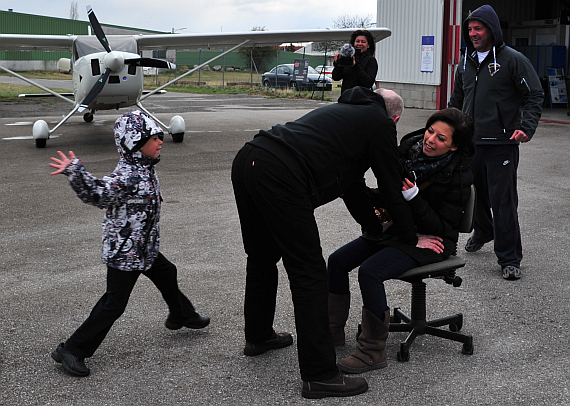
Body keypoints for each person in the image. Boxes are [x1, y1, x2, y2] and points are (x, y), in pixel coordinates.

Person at [231, 87, 416, 399]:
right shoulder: (381, 124)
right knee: (309, 274)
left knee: (262, 256)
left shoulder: (346, 115)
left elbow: (352, 186)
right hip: (281, 173)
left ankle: (259, 337)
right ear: (395, 118)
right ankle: (320, 376)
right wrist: (410, 237)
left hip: (250, 157)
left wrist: (374, 227)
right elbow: (390, 183)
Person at [49, 110, 209, 377]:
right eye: (153, 137)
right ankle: (73, 349)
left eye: (160, 136)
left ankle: (182, 314)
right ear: (134, 143)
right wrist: (75, 172)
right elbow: (100, 193)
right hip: (125, 253)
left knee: (168, 272)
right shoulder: (129, 175)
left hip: (143, 247)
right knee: (114, 304)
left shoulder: (145, 168)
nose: (160, 141)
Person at [327, 107, 475, 374]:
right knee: (337, 262)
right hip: (399, 232)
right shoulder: (408, 151)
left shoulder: (459, 176)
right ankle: (333, 331)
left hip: (434, 242)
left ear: (454, 147)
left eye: (442, 138)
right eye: (430, 131)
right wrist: (352, 185)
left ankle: (372, 352)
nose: (430, 140)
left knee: (370, 272)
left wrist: (415, 199)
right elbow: (388, 195)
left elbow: (443, 226)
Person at [448, 4, 544, 280]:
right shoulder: (465, 62)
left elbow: (535, 94)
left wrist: (526, 127)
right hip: (470, 143)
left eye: (478, 28)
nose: (473, 33)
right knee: (473, 194)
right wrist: (445, 128)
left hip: (502, 143)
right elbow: (456, 101)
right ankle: (484, 230)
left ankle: (510, 257)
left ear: (492, 30)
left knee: (503, 202)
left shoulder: (512, 59)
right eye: (470, 29)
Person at [332, 29, 378, 93]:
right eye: (357, 41)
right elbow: (336, 77)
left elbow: (368, 82)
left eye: (363, 42)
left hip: (362, 98)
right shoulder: (348, 58)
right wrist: (338, 64)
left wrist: (355, 66)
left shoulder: (370, 60)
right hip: (346, 97)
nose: (360, 44)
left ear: (368, 45)